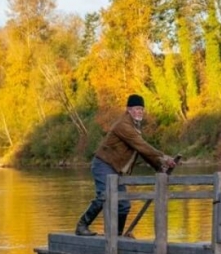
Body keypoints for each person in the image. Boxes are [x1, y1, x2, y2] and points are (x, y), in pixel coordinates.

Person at [75, 94, 177, 236]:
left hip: (115, 169)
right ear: (128, 110)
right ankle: (82, 226)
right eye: (136, 109)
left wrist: (159, 166)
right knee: (104, 196)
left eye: (141, 109)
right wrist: (164, 157)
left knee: (123, 205)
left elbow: (141, 151)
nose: (139, 112)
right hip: (103, 164)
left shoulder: (134, 127)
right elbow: (142, 146)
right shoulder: (123, 125)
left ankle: (116, 235)